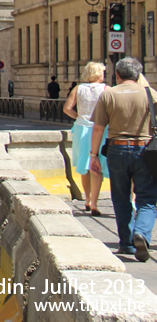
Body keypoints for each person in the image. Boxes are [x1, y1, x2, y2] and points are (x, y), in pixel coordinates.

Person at [90, 57, 157, 261]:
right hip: (145, 150)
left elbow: (99, 127)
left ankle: (127, 244)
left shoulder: (108, 94)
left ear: (117, 75)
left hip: (117, 150)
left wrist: (94, 156)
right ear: (138, 74)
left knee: (120, 197)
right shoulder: (150, 93)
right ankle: (142, 233)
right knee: (147, 197)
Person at [63, 62, 108, 215]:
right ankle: (95, 202)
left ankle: (87, 199)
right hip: (100, 129)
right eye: (102, 72)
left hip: (82, 128)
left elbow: (67, 109)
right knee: (97, 167)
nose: (104, 75)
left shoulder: (78, 89)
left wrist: (79, 117)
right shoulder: (106, 89)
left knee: (84, 166)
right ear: (98, 74)